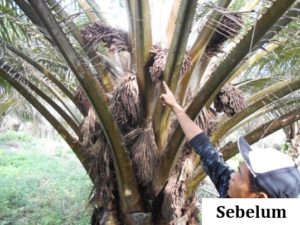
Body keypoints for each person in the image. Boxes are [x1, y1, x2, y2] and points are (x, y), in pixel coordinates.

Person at [160, 81, 300, 198]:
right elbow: (205, 148)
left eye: (239, 173)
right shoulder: (230, 187)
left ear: (259, 197)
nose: (232, 175)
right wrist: (176, 107)